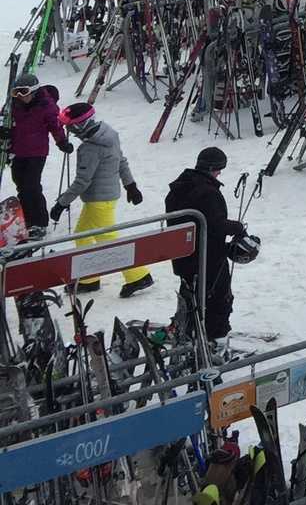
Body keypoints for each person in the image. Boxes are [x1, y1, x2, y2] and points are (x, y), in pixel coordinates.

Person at [50, 103, 148, 295]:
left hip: (98, 201)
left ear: (80, 126)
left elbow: (82, 182)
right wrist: (130, 186)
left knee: (110, 242)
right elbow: (122, 161)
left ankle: (139, 276)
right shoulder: (109, 134)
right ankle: (88, 278)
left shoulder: (90, 148)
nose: (68, 130)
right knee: (83, 234)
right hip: (106, 198)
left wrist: (62, 203)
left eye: (69, 126)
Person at [167, 146, 247, 341]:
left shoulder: (180, 187)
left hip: (184, 256)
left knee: (191, 294)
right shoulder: (207, 192)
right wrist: (237, 228)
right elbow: (215, 224)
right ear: (212, 168)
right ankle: (213, 336)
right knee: (216, 297)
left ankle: (189, 326)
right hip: (208, 258)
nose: (220, 173)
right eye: (219, 169)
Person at [7, 74, 69, 237]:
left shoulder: (46, 106)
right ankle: (27, 218)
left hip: (37, 152)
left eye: (24, 92)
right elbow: (4, 120)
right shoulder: (13, 105)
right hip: (18, 150)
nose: (20, 96)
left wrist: (61, 142)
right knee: (20, 184)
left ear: (34, 91)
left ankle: (40, 223)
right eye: (16, 93)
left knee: (32, 186)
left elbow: (55, 126)